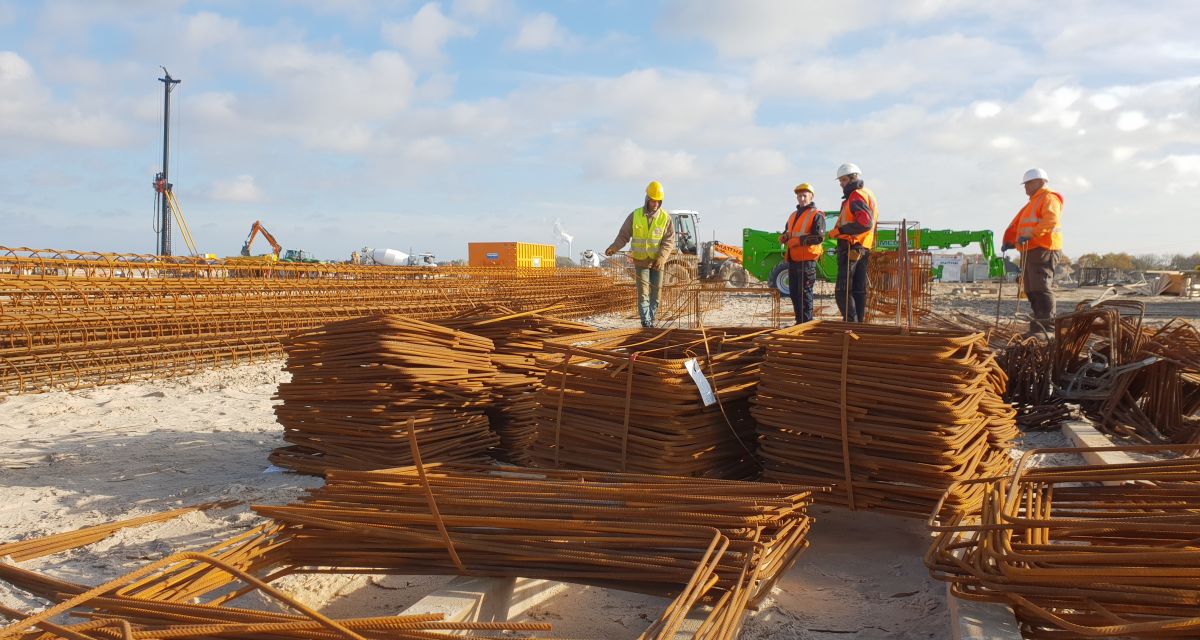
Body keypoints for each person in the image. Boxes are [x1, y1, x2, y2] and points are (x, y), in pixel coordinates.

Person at [605, 180, 675, 327]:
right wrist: (614, 247)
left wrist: (662, 258)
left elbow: (669, 241)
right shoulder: (635, 215)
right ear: (647, 199)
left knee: (656, 293)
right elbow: (623, 235)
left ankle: (652, 318)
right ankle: (646, 322)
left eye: (658, 201)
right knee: (643, 293)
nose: (655, 204)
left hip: (657, 262)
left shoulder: (665, 218)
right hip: (640, 261)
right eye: (652, 201)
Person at [1002, 168, 1063, 333]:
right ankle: (1038, 325)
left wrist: (1032, 234)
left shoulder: (1049, 198)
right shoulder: (1033, 202)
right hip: (1030, 250)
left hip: (1043, 249)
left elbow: (1051, 220)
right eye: (1025, 184)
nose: (1025, 187)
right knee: (1030, 288)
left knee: (1041, 288)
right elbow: (1020, 226)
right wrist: (1010, 241)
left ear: (1041, 182)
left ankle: (1047, 328)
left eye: (1029, 183)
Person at [827, 163, 877, 323]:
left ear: (853, 178)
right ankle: (858, 325)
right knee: (858, 290)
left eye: (843, 179)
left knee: (843, 290)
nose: (841, 183)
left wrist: (840, 231)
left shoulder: (856, 195)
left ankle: (850, 325)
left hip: (852, 247)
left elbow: (865, 223)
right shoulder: (867, 194)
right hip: (862, 247)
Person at [778, 182, 825, 324]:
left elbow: (819, 237)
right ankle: (799, 322)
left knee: (805, 294)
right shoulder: (793, 215)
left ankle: (806, 323)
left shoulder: (817, 215)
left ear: (811, 196)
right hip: (793, 259)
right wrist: (785, 236)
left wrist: (798, 241)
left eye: (804, 196)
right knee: (794, 293)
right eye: (799, 196)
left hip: (807, 260)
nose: (801, 199)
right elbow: (789, 231)